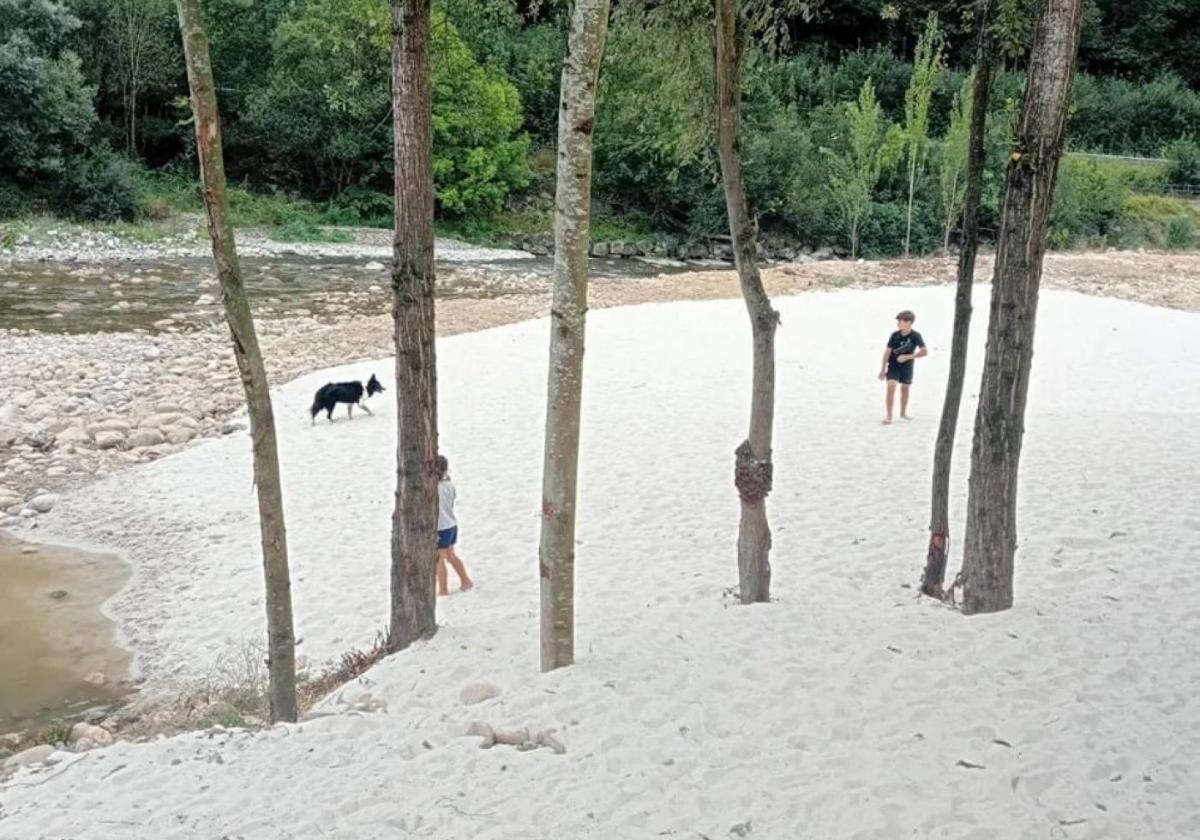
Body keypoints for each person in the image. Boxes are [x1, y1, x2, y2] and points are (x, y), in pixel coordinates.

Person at [877, 309, 928, 424]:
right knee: (891, 386)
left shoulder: (916, 336)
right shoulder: (894, 335)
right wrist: (882, 369)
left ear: (909, 322)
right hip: (893, 365)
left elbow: (924, 352)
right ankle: (889, 416)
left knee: (905, 389)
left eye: (900, 321)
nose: (898, 323)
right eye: (898, 321)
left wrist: (908, 356)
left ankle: (903, 413)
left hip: (908, 366)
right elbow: (887, 352)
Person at [436, 455, 474, 595]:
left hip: (441, 527)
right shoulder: (449, 485)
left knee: (439, 559)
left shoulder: (436, 488)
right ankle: (466, 580)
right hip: (452, 525)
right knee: (451, 555)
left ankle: (443, 590)